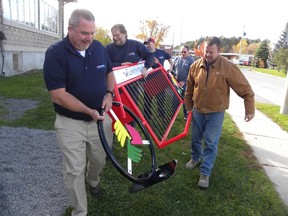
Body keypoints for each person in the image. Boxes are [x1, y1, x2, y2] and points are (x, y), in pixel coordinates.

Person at [43, 9, 115, 216]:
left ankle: (93, 181)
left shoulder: (99, 48)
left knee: (100, 159)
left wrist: (109, 94)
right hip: (70, 122)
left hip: (101, 119)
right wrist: (88, 111)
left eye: (92, 33)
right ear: (70, 29)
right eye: (84, 33)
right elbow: (58, 95)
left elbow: (110, 72)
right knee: (74, 170)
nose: (89, 38)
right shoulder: (55, 53)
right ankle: (80, 211)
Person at [184, 36, 255, 188]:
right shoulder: (195, 66)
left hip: (216, 112)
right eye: (205, 52)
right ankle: (195, 158)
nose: (207, 55)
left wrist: (249, 108)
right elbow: (189, 88)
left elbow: (244, 87)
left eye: (211, 52)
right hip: (198, 110)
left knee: (210, 142)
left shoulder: (227, 67)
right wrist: (189, 106)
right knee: (196, 138)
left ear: (219, 51)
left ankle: (205, 173)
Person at [143, 37, 173, 119]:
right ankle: (147, 115)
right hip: (150, 78)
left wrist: (171, 66)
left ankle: (161, 114)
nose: (148, 45)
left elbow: (169, 57)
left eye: (149, 43)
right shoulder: (146, 54)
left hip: (160, 78)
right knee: (148, 98)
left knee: (161, 98)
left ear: (154, 43)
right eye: (147, 44)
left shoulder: (161, 52)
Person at [172, 45, 194, 120]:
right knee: (175, 99)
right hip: (176, 84)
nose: (183, 53)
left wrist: (184, 81)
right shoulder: (177, 59)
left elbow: (192, 74)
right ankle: (173, 115)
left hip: (186, 85)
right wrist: (174, 76)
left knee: (185, 100)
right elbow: (173, 70)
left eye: (185, 52)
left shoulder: (191, 61)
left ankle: (186, 115)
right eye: (182, 52)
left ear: (188, 52)